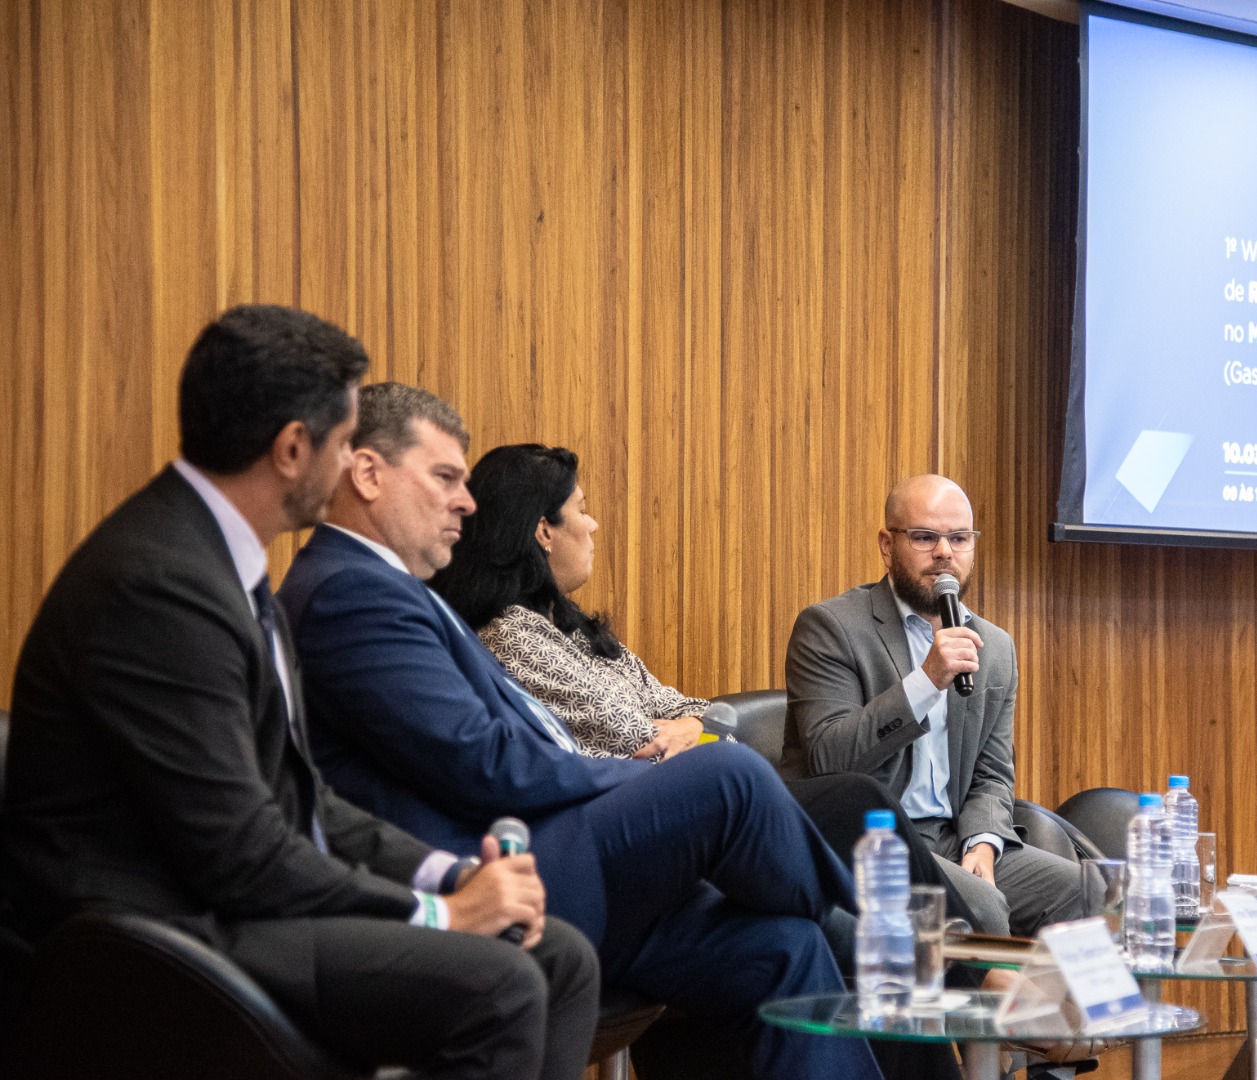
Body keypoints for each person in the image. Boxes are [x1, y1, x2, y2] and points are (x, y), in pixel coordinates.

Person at [0, 306, 598, 1080]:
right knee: (502, 984)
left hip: (215, 903)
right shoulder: (160, 584)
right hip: (146, 936)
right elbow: (241, 853)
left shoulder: (223, 564)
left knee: (558, 957)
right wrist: (442, 917)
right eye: (347, 441)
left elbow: (299, 798)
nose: (355, 462)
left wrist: (448, 875)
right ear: (291, 449)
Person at [277, 383, 882, 1080]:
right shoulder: (349, 593)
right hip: (489, 874)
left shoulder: (396, 589)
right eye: (445, 477)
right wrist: (640, 774)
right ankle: (889, 943)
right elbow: (481, 763)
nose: (465, 503)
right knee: (728, 779)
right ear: (368, 474)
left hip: (561, 851)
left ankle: (871, 939)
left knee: (784, 944)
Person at [427, 442, 970, 921]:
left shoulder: (569, 627)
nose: (593, 526)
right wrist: (693, 730)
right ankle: (977, 971)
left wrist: (692, 725)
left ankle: (962, 971)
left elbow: (696, 711)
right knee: (852, 798)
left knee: (847, 844)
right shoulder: (511, 636)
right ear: (544, 530)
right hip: (641, 823)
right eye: (582, 511)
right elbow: (638, 739)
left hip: (698, 798)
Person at [785, 475, 1099, 938]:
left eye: (958, 538)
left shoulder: (992, 646)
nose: (944, 553)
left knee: (1091, 894)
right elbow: (827, 758)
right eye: (925, 537)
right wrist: (927, 681)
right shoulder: (831, 627)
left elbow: (993, 774)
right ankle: (985, 1007)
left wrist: (984, 843)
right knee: (984, 909)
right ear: (887, 545)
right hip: (872, 842)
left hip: (952, 838)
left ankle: (1040, 1012)